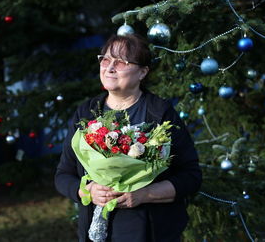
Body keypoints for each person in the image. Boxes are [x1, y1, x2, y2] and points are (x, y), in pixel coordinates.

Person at [55, 33, 202, 242]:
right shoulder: (86, 113)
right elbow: (63, 175)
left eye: (121, 62)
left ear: (142, 72)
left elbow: (191, 177)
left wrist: (144, 194)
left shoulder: (160, 113)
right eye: (105, 60)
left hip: (151, 231)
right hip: (95, 232)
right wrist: (87, 190)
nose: (109, 68)